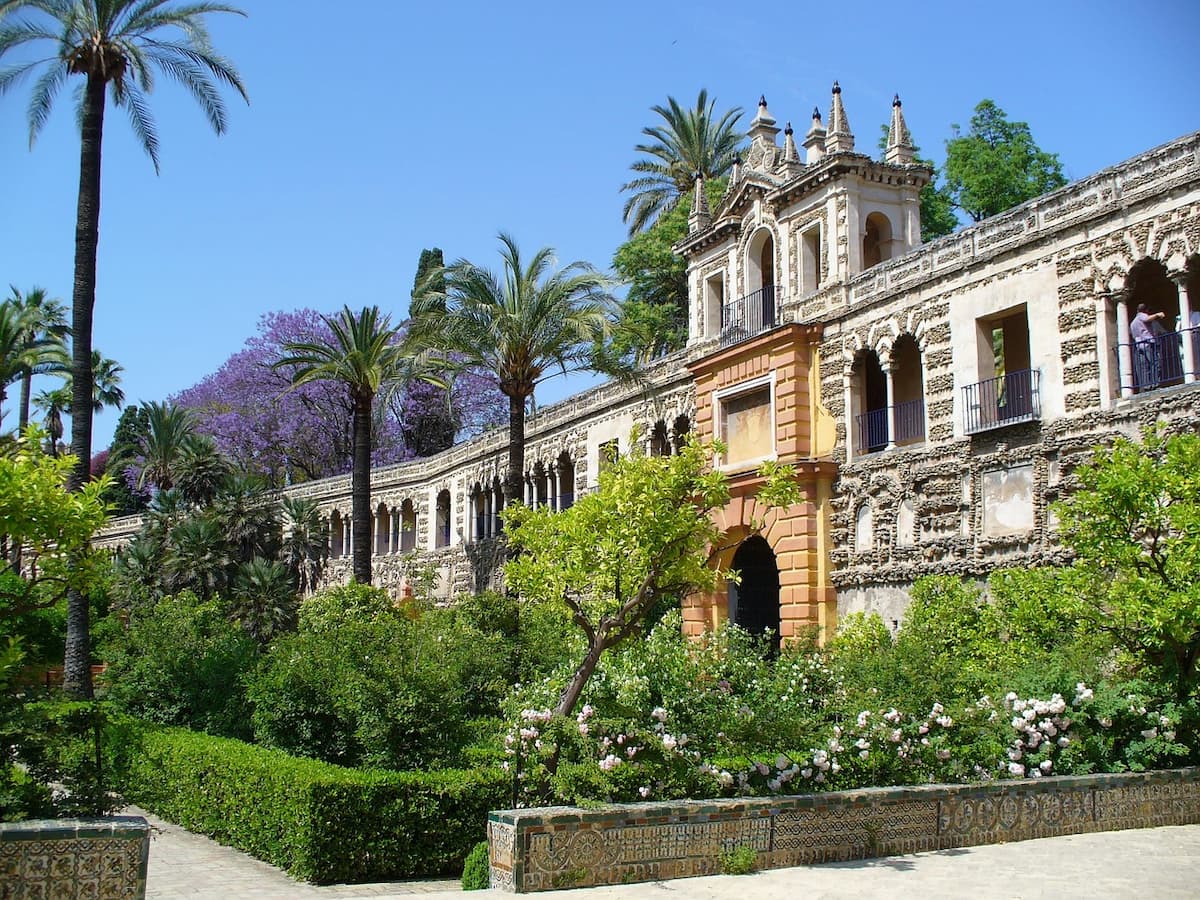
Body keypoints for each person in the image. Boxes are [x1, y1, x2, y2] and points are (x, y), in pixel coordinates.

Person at [1131, 303, 1165, 390]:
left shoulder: (1133, 323)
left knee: (1144, 366)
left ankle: (1146, 385)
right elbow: (1147, 319)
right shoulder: (1141, 316)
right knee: (1154, 363)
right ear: (1145, 310)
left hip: (1139, 345)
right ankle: (1155, 384)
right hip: (1148, 344)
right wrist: (1158, 314)